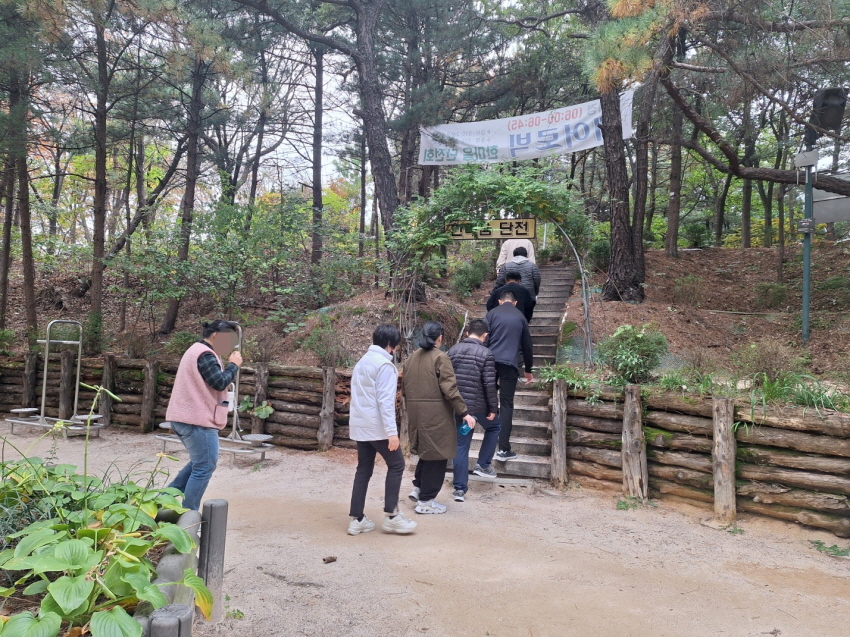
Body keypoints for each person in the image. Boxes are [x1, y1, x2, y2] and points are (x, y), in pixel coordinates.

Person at [347, 325, 418, 535]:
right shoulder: (385, 366)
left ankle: (357, 520)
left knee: (363, 469)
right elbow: (385, 403)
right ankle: (392, 516)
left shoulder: (362, 362)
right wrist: (392, 433)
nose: (396, 349)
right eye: (396, 345)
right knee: (397, 465)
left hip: (360, 425)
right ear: (390, 344)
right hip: (377, 427)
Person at [165, 320, 243, 511]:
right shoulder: (205, 354)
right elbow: (219, 382)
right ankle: (188, 514)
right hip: (197, 420)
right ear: (216, 336)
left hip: (185, 418)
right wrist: (233, 365)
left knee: (199, 463)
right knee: (204, 467)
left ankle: (162, 501)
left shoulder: (196, 350)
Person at [403, 321, 476, 514]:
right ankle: (426, 501)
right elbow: (450, 389)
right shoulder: (440, 357)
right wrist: (464, 412)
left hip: (415, 414)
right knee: (437, 455)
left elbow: (404, 390)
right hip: (436, 415)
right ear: (440, 338)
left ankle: (418, 488)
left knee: (426, 453)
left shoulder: (411, 358)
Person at [447, 319, 500, 502]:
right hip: (479, 408)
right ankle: (483, 464)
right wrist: (493, 408)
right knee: (494, 427)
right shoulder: (486, 353)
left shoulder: (453, 350)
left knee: (461, 446)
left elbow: (447, 380)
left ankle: (459, 490)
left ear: (467, 333)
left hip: (459, 408)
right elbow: (489, 384)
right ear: (485, 335)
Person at [485, 292, 534, 462]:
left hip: (490, 363)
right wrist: (528, 370)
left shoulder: (491, 314)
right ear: (515, 302)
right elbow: (527, 346)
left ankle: (486, 444)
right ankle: (503, 450)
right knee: (506, 403)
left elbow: (484, 339)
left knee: (488, 400)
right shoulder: (520, 317)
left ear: (499, 301)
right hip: (510, 365)